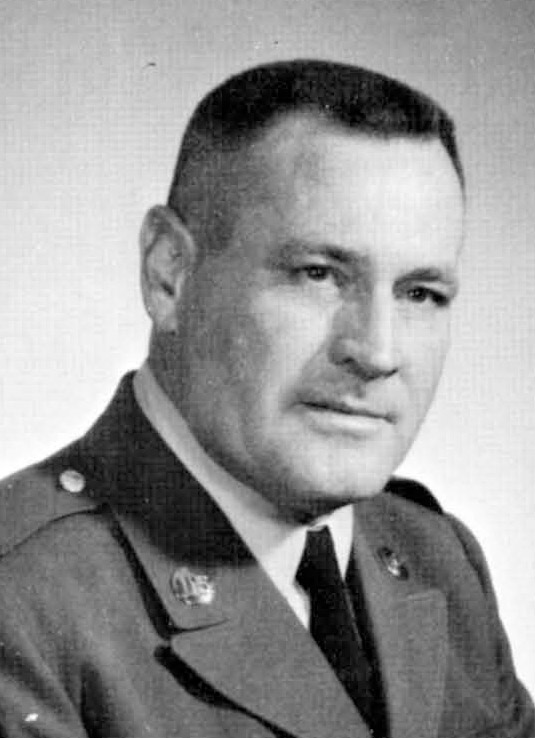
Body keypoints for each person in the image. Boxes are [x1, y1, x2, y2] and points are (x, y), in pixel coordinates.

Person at [0, 59, 532, 738]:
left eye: (420, 293)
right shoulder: (24, 602)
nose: (377, 351)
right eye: (319, 274)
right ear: (169, 275)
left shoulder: (438, 557)